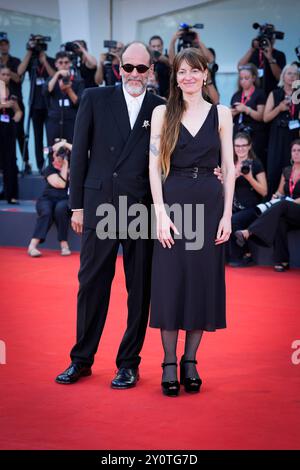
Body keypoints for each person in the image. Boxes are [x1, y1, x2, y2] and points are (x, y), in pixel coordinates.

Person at [55, 41, 165, 388]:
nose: (134, 74)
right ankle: (81, 359)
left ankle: (128, 363)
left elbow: (167, 162)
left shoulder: (161, 107)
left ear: (151, 72)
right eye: (128, 67)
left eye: (141, 68)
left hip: (141, 208)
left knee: (139, 289)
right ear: (118, 68)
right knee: (91, 285)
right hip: (100, 204)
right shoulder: (94, 98)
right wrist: (77, 206)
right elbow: (79, 157)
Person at [148, 48, 235, 396]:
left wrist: (228, 214)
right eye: (182, 72)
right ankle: (169, 363)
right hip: (173, 203)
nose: (188, 77)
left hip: (210, 205)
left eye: (194, 71)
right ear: (176, 77)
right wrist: (159, 214)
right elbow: (154, 166)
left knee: (201, 283)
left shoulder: (222, 114)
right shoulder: (161, 113)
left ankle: (190, 361)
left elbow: (229, 168)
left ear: (205, 74)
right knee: (170, 283)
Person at [235, 139, 300, 272]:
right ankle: (282, 260)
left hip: (296, 207)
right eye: (294, 150)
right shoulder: (287, 171)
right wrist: (275, 197)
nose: (296, 153)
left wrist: (287, 202)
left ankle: (249, 232)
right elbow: (280, 191)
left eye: (299, 150)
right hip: (288, 209)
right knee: (280, 220)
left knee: (282, 205)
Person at [227, 132, 267, 267]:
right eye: (237, 146)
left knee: (234, 220)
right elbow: (222, 190)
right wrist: (233, 176)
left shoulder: (255, 164)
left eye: (244, 145)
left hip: (251, 208)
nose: (240, 148)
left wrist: (249, 178)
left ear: (249, 146)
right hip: (232, 206)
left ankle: (245, 254)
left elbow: (264, 191)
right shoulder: (230, 163)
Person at [27, 140, 72, 257]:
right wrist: (65, 167)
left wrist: (65, 145)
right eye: (57, 154)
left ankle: (64, 244)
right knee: (46, 212)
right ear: (53, 155)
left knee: (61, 209)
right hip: (47, 199)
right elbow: (61, 184)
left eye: (61, 154)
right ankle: (32, 246)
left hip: (63, 199)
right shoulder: (49, 169)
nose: (59, 157)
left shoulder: (72, 168)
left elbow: (83, 152)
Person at [18, 38, 56, 171]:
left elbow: (54, 75)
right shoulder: (32, 62)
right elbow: (19, 71)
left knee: (51, 136)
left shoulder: (50, 60)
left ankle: (53, 164)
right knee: (37, 137)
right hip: (35, 105)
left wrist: (44, 61)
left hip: (49, 105)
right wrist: (29, 52)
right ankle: (40, 166)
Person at [263, 63, 300, 196]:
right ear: (283, 76)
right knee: (274, 170)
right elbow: (265, 117)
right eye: (289, 73)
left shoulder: (299, 94)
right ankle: (271, 202)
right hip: (277, 137)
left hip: (294, 137)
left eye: (295, 74)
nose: (292, 77)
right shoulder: (275, 93)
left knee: (291, 168)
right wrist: (279, 108)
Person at [0, 33, 30, 172]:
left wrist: (5, 69)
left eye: (5, 44)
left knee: (19, 133)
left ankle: (26, 161)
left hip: (15, 101)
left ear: (9, 45)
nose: (3, 46)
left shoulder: (15, 61)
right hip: (1, 103)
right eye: (1, 44)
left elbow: (18, 78)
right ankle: (9, 163)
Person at [43, 52, 84, 147]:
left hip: (71, 121)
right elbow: (46, 91)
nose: (63, 65)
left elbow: (78, 102)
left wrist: (68, 89)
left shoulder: (78, 81)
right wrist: (57, 75)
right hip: (54, 121)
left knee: (72, 149)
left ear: (70, 64)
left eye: (66, 62)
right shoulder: (51, 79)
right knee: (53, 150)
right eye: (60, 63)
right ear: (56, 64)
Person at [231, 64, 267, 168]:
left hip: (255, 134)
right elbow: (231, 116)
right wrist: (232, 112)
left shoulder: (259, 94)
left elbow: (261, 116)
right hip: (238, 132)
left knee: (254, 160)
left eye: (246, 78)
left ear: (254, 78)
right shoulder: (236, 95)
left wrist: (246, 109)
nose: (243, 81)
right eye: (241, 78)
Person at [237, 25, 286, 96]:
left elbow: (279, 77)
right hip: (254, 94)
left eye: (269, 39)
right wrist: (252, 49)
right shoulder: (253, 53)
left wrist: (270, 58)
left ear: (274, 40)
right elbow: (240, 67)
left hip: (272, 94)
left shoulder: (279, 55)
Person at [0, 65, 22, 204]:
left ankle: (11, 195)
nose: (6, 77)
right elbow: (3, 104)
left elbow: (18, 110)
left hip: (8, 127)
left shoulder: (13, 91)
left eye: (8, 74)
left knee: (10, 161)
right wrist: (4, 105)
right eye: (3, 74)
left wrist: (16, 118)